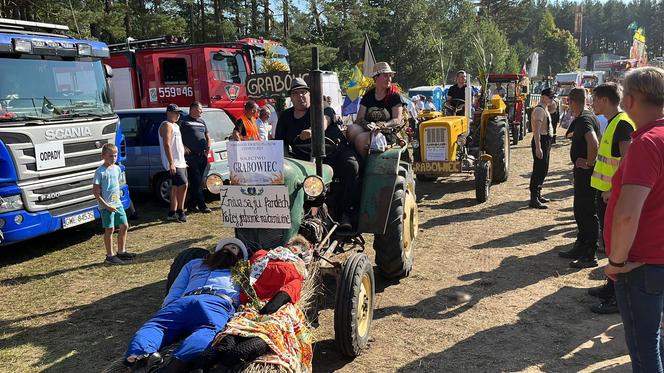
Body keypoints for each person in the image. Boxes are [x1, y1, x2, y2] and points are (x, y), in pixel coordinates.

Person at [603, 66, 664, 372]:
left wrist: (616, 262)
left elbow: (627, 215)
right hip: (657, 262)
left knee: (644, 349)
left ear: (629, 100)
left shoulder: (646, 144)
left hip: (641, 265)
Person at [124, 238, 248, 373]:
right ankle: (142, 356)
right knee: (155, 326)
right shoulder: (194, 263)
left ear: (239, 258)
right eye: (225, 246)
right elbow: (177, 288)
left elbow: (249, 294)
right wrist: (168, 308)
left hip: (217, 302)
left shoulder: (241, 271)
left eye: (233, 248)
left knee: (209, 330)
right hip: (184, 302)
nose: (228, 249)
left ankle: (177, 363)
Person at [207, 236, 313, 372]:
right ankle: (217, 361)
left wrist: (265, 307)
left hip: (259, 306)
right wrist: (269, 307)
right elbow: (287, 291)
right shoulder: (287, 266)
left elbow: (284, 291)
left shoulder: (266, 257)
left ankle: (220, 361)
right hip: (264, 308)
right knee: (254, 335)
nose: (293, 249)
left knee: (250, 333)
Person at [275, 78, 360, 230]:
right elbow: (280, 144)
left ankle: (348, 213)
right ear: (291, 97)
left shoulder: (321, 108)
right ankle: (299, 219)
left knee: (351, 165)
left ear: (309, 94)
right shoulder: (285, 117)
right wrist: (286, 162)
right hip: (305, 160)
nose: (300, 96)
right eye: (296, 93)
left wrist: (313, 130)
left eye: (303, 92)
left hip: (335, 152)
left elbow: (325, 120)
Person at [587, 82, 635, 315]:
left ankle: (618, 297)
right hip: (606, 195)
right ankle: (610, 287)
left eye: (595, 99)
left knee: (617, 246)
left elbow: (628, 162)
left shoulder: (622, 124)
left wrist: (614, 192)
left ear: (605, 100)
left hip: (612, 197)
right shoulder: (614, 122)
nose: (592, 103)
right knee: (609, 244)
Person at [559, 88, 601, 268]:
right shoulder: (588, 116)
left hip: (586, 174)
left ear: (571, 101)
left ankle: (590, 253)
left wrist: (589, 163)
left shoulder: (584, 120)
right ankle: (581, 245)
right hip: (583, 173)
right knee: (580, 210)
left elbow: (593, 142)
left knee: (586, 212)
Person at [346, 62, 403, 158]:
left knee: (360, 139)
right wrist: (369, 125)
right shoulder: (368, 95)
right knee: (351, 129)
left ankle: (364, 167)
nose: (389, 79)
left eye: (390, 76)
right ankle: (354, 158)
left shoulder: (394, 96)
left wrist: (384, 125)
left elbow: (397, 119)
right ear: (376, 78)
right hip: (369, 129)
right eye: (385, 76)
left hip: (387, 132)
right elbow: (360, 118)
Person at [92, 143, 134, 264]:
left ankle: (121, 251)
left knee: (124, 226)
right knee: (109, 229)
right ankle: (109, 256)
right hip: (106, 206)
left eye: (115, 156)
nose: (113, 158)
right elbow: (96, 192)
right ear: (103, 156)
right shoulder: (100, 172)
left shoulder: (117, 169)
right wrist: (106, 206)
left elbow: (116, 185)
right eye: (110, 156)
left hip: (117, 204)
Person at [180, 101, 212, 214]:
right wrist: (183, 146)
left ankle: (191, 205)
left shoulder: (202, 121)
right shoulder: (184, 121)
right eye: (200, 109)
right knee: (197, 180)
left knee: (196, 182)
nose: (201, 111)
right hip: (190, 157)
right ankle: (202, 205)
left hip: (202, 155)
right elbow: (177, 136)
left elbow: (207, 135)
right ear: (193, 109)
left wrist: (208, 148)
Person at [159, 104, 188, 222]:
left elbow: (177, 145)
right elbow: (167, 143)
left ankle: (172, 212)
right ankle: (181, 211)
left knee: (175, 187)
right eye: (175, 113)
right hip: (174, 162)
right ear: (168, 113)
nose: (178, 115)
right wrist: (171, 162)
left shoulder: (175, 125)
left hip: (180, 161)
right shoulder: (166, 125)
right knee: (183, 184)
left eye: (179, 113)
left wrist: (183, 159)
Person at [528, 88, 555, 209]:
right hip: (541, 140)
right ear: (544, 97)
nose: (552, 99)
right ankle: (534, 198)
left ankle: (538, 194)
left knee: (543, 168)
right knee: (539, 169)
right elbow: (536, 130)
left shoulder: (544, 108)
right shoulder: (539, 110)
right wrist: (538, 147)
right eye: (550, 97)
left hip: (545, 140)